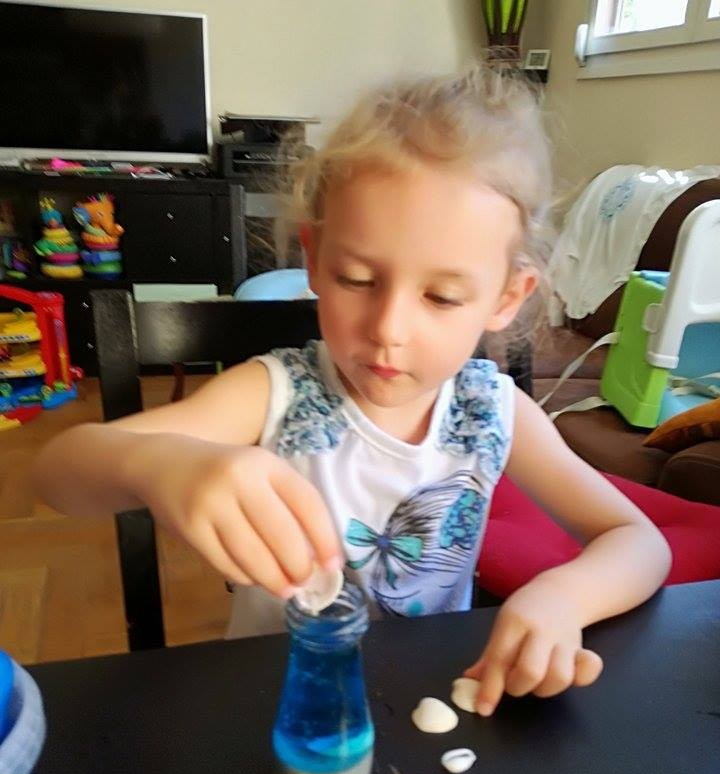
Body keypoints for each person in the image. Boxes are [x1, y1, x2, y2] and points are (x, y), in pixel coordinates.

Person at [32, 60, 671, 717]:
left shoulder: (491, 412)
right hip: (277, 705)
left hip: (425, 704)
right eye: (357, 280)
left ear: (507, 296)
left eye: (442, 296)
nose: (388, 329)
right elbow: (58, 471)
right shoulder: (275, 392)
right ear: (313, 258)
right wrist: (155, 463)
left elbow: (639, 540)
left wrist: (562, 598)